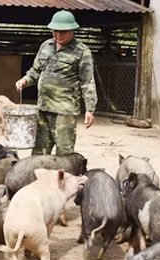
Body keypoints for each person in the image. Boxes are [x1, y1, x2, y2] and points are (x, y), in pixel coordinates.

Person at [15, 10, 98, 156]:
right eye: (55, 31)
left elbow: (87, 82)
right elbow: (36, 70)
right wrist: (25, 80)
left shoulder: (82, 51)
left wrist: (90, 109)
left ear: (72, 30)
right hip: (43, 108)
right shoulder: (46, 46)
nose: (58, 34)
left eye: (63, 31)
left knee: (64, 154)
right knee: (39, 152)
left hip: (64, 111)